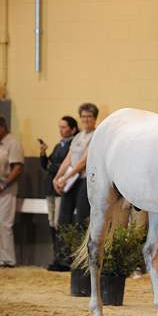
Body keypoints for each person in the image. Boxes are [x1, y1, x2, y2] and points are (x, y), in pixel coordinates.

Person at [53, 103, 98, 266]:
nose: (86, 119)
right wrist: (58, 176)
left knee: (81, 218)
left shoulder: (96, 135)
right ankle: (62, 258)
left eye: (89, 116)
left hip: (85, 180)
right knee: (63, 217)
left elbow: (83, 162)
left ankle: (80, 258)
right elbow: (69, 159)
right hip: (71, 180)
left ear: (94, 119)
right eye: (83, 116)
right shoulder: (78, 137)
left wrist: (66, 177)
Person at [40, 116, 79, 271]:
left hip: (63, 188)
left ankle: (64, 258)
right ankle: (57, 257)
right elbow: (47, 165)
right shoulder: (58, 145)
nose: (61, 130)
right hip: (51, 188)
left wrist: (53, 167)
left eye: (64, 127)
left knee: (60, 223)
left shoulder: (73, 145)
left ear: (73, 129)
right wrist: (43, 154)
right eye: (60, 127)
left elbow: (64, 166)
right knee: (52, 224)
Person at [0, 115, 24, 268]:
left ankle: (9, 259)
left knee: (4, 223)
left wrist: (4, 185)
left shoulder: (12, 143)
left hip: (6, 189)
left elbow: (17, 167)